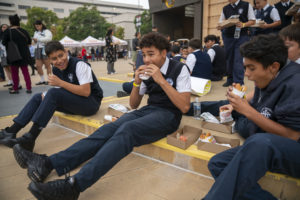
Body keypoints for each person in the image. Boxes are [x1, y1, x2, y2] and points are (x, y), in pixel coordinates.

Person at [12, 32, 191, 200]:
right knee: (108, 129)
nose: (146, 59)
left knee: (128, 129)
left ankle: (74, 185)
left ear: (164, 53)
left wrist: (160, 79)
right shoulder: (146, 71)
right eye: (144, 55)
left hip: (168, 116)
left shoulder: (180, 69)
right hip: (148, 111)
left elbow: (183, 106)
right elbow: (134, 104)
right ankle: (48, 163)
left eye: (151, 54)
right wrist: (137, 83)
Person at [202, 34, 300, 200]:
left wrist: (247, 111)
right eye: (245, 67)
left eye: (251, 68)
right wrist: (235, 103)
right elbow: (256, 98)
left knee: (258, 141)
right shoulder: (268, 76)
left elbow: (292, 136)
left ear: (273, 66)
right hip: (267, 144)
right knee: (218, 163)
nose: (246, 74)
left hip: (291, 149)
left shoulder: (295, 84)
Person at [0, 41, 103, 152]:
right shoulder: (56, 69)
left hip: (91, 103)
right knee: (38, 97)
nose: (59, 61)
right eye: (54, 59)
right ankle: (11, 131)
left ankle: (30, 138)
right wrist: (47, 95)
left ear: (65, 52)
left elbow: (86, 92)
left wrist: (60, 84)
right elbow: (60, 90)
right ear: (49, 60)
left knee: (53, 93)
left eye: (61, 55)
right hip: (76, 102)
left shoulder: (79, 65)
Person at [219, 0, 255, 87]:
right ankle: (230, 79)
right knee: (229, 58)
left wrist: (243, 24)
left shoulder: (246, 5)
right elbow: (221, 22)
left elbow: (252, 20)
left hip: (241, 36)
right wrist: (223, 24)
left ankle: (238, 81)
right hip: (228, 36)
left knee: (238, 58)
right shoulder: (225, 8)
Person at [2, 14, 32, 94]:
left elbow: (3, 42)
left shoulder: (8, 32)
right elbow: (29, 42)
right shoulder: (24, 31)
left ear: (10, 22)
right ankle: (29, 88)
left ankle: (15, 89)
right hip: (24, 54)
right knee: (25, 72)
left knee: (14, 73)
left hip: (13, 55)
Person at [33, 20, 52, 85]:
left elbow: (49, 39)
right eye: (36, 27)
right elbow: (35, 41)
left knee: (47, 65)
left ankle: (49, 80)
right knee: (38, 66)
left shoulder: (47, 31)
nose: (37, 28)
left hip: (45, 48)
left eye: (38, 26)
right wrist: (34, 41)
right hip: (37, 49)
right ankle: (42, 80)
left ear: (41, 25)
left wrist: (38, 39)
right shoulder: (36, 32)